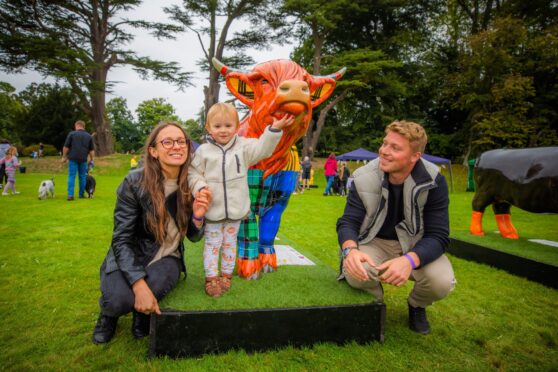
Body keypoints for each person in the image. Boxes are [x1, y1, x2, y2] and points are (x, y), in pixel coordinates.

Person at [92, 121, 212, 344]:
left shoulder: (193, 184)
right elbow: (121, 239)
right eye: (167, 141)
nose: (176, 146)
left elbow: (194, 237)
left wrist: (197, 216)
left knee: (150, 290)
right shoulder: (134, 182)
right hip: (133, 251)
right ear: (153, 151)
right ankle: (108, 315)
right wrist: (138, 285)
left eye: (181, 141)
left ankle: (142, 314)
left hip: (168, 257)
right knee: (118, 300)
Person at [336, 120, 455, 335]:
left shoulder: (434, 180)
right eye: (384, 144)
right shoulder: (363, 177)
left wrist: (409, 260)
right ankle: (375, 297)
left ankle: (417, 305)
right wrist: (350, 250)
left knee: (441, 282)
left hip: (415, 243)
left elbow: (439, 236)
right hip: (374, 242)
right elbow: (348, 222)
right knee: (356, 272)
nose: (384, 152)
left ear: (414, 157)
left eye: (395, 148)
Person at [189, 102, 294, 297]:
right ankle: (211, 278)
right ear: (208, 128)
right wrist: (200, 187)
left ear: (237, 127)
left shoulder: (244, 147)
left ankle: (226, 276)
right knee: (212, 245)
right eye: (217, 126)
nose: (223, 130)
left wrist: (274, 130)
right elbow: (193, 173)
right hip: (212, 212)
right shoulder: (203, 152)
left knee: (230, 244)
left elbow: (263, 148)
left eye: (228, 126)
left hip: (236, 212)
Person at [61, 120, 95, 200]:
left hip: (73, 158)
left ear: (77, 125)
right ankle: (81, 194)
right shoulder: (88, 136)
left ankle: (70, 195)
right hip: (83, 159)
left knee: (71, 176)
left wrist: (64, 157)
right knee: (82, 177)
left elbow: (66, 147)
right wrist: (92, 159)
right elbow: (91, 150)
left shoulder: (72, 134)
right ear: (84, 126)